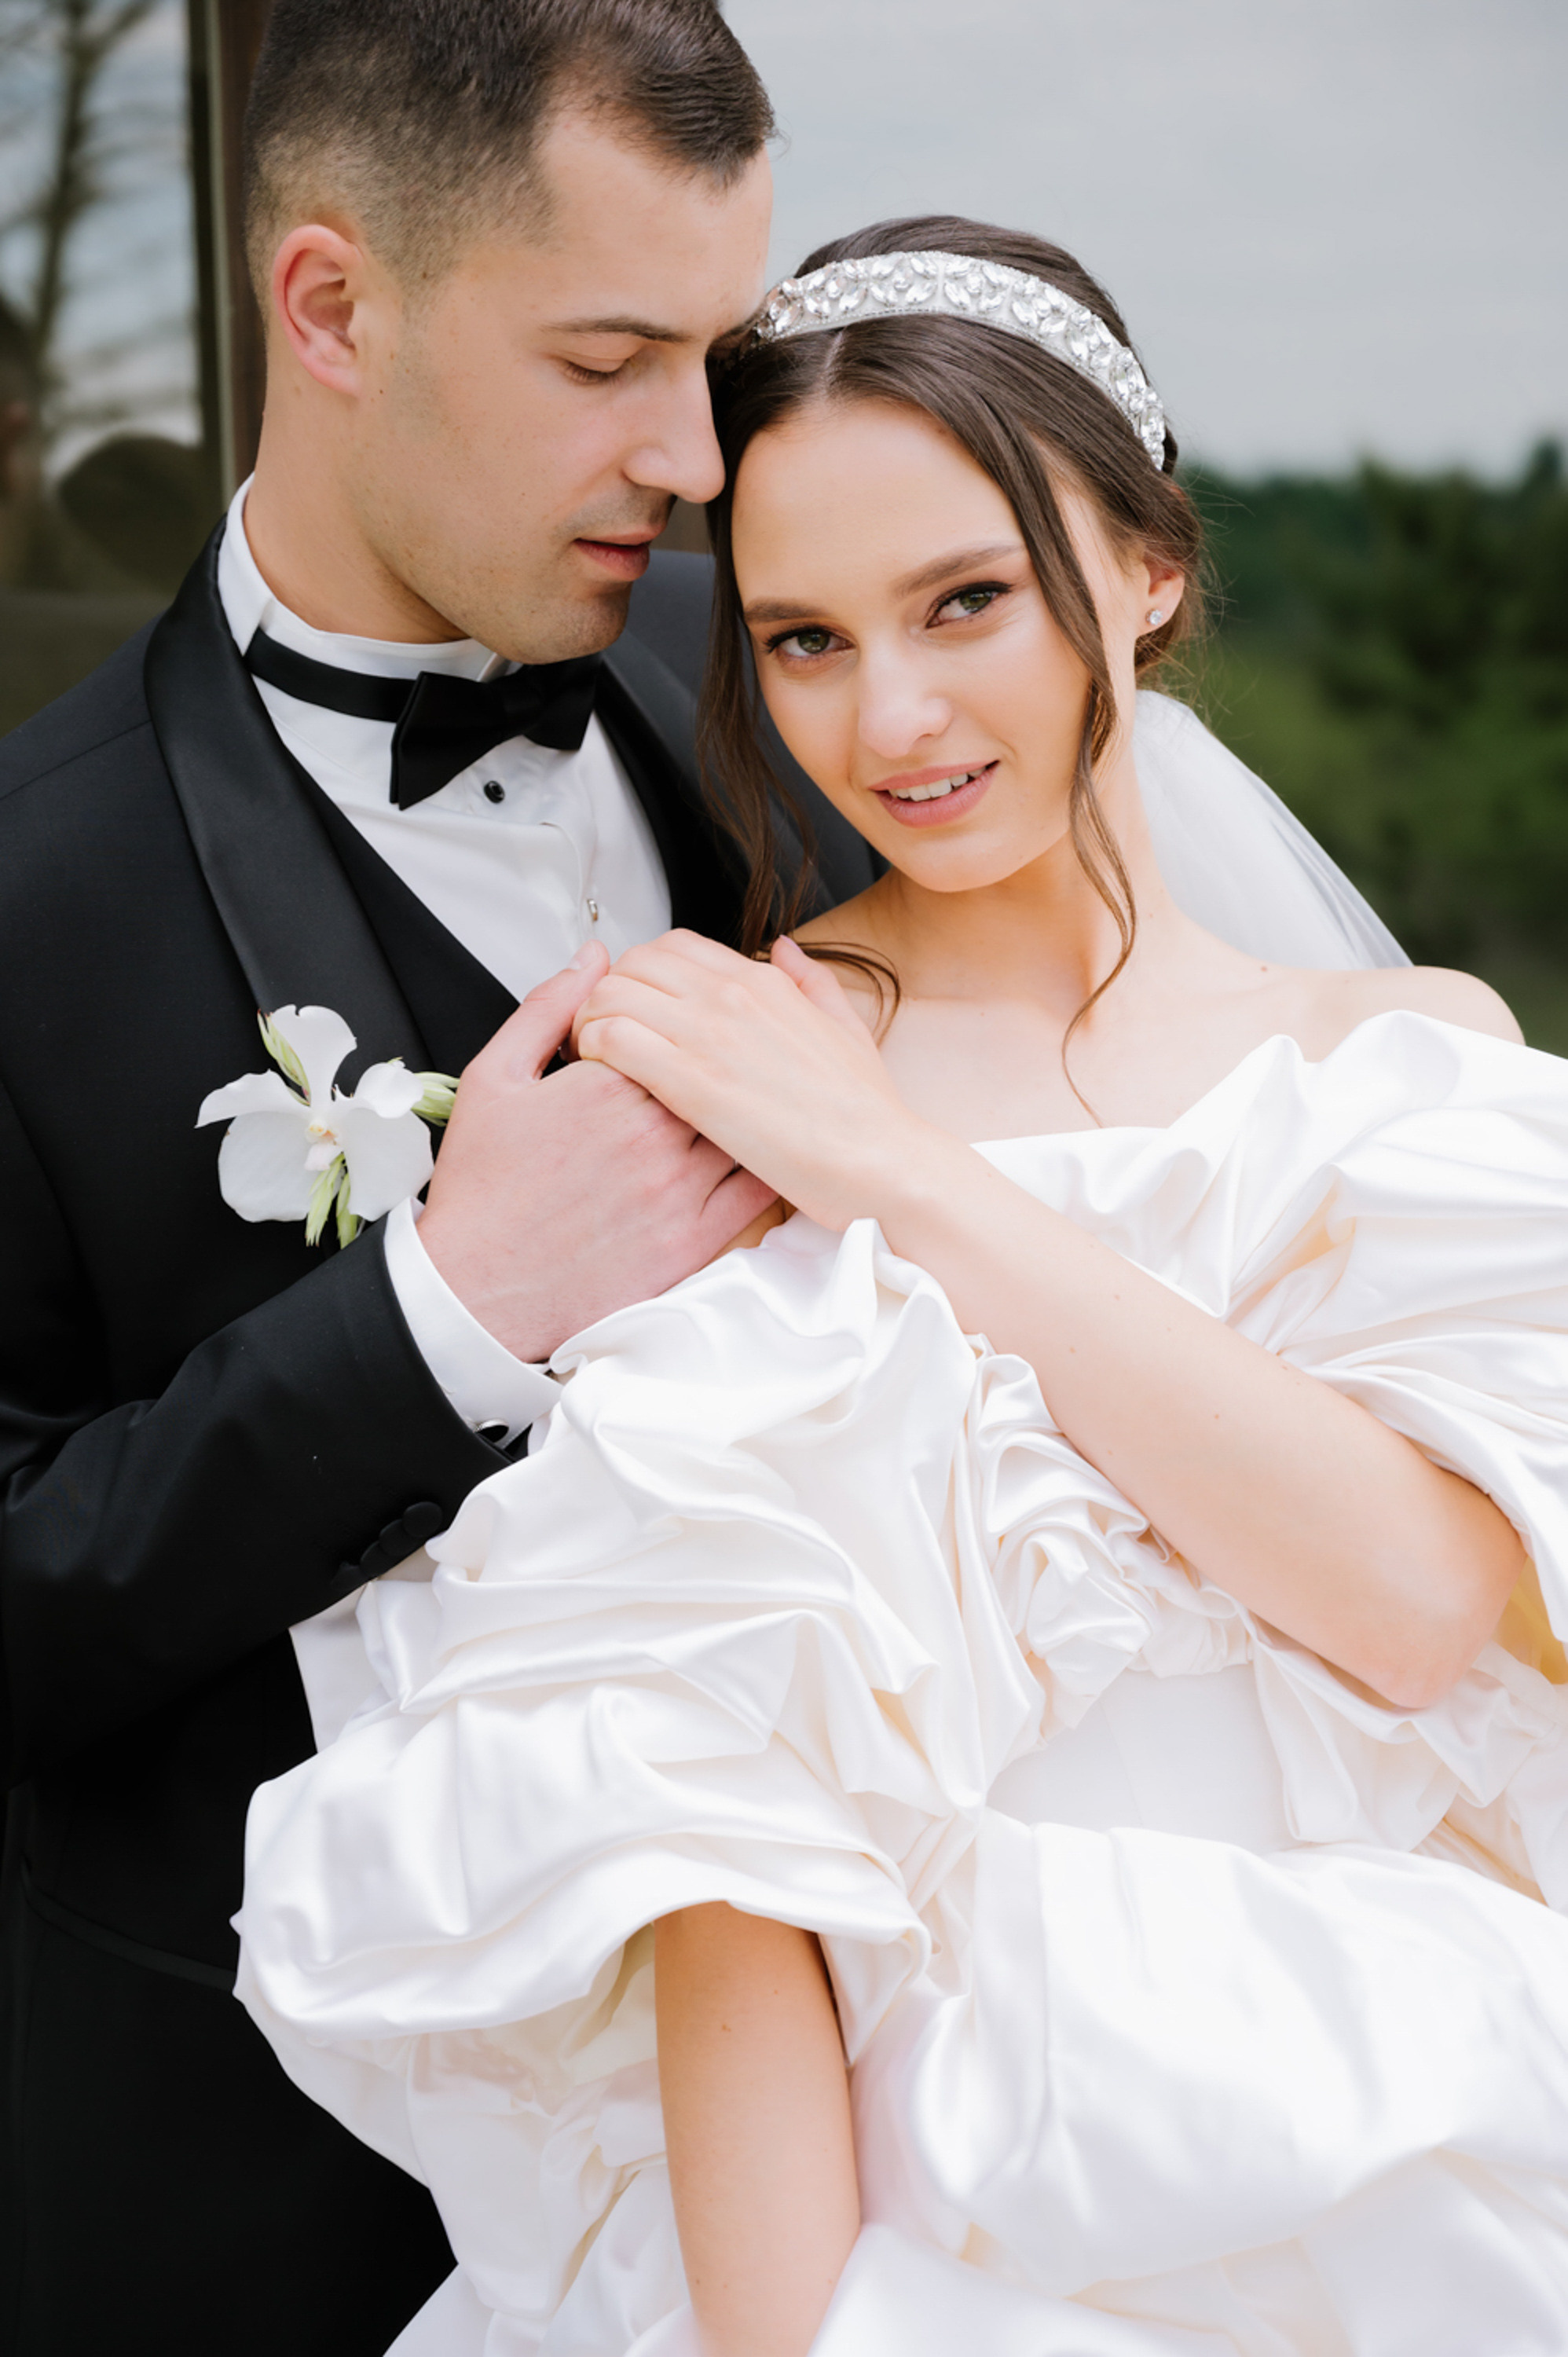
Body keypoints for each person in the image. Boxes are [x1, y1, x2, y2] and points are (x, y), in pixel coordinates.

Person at [238, 216, 1568, 2357]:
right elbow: (702, 1821)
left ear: (1146, 568)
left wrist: (890, 1174)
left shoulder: (1401, 1067)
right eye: (803, 639)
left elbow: (1417, 1608)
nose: (894, 718)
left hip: (1405, 2128)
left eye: (965, 601)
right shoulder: (713, 1076)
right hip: (908, 2198)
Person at [0, 5, 877, 2352]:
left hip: (867, 2157)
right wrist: (434, 1320)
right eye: (607, 361)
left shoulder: (812, 680)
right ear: (329, 307)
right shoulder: (27, 896)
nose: (696, 459)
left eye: (716, 360)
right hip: (281, 2214)